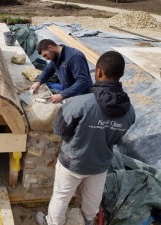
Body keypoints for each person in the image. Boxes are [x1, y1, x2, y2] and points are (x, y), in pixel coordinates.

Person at [36, 51, 135, 225]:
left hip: (73, 162)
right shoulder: (130, 111)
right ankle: (88, 220)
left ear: (99, 72)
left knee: (61, 196)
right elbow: (118, 137)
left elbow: (61, 131)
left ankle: (52, 222)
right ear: (121, 74)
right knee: (93, 197)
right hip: (100, 164)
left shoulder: (80, 103)